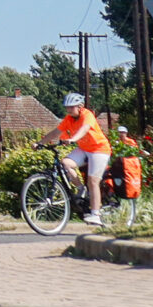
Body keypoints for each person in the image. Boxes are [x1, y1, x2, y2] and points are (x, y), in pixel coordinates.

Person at [44, 92, 111, 223]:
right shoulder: (68, 119)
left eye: (71, 107)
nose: (68, 110)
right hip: (85, 149)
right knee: (65, 163)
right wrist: (40, 143)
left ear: (80, 106)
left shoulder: (87, 115)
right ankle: (81, 188)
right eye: (67, 107)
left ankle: (96, 214)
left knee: (93, 180)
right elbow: (55, 132)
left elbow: (85, 129)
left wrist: (73, 139)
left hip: (99, 149)